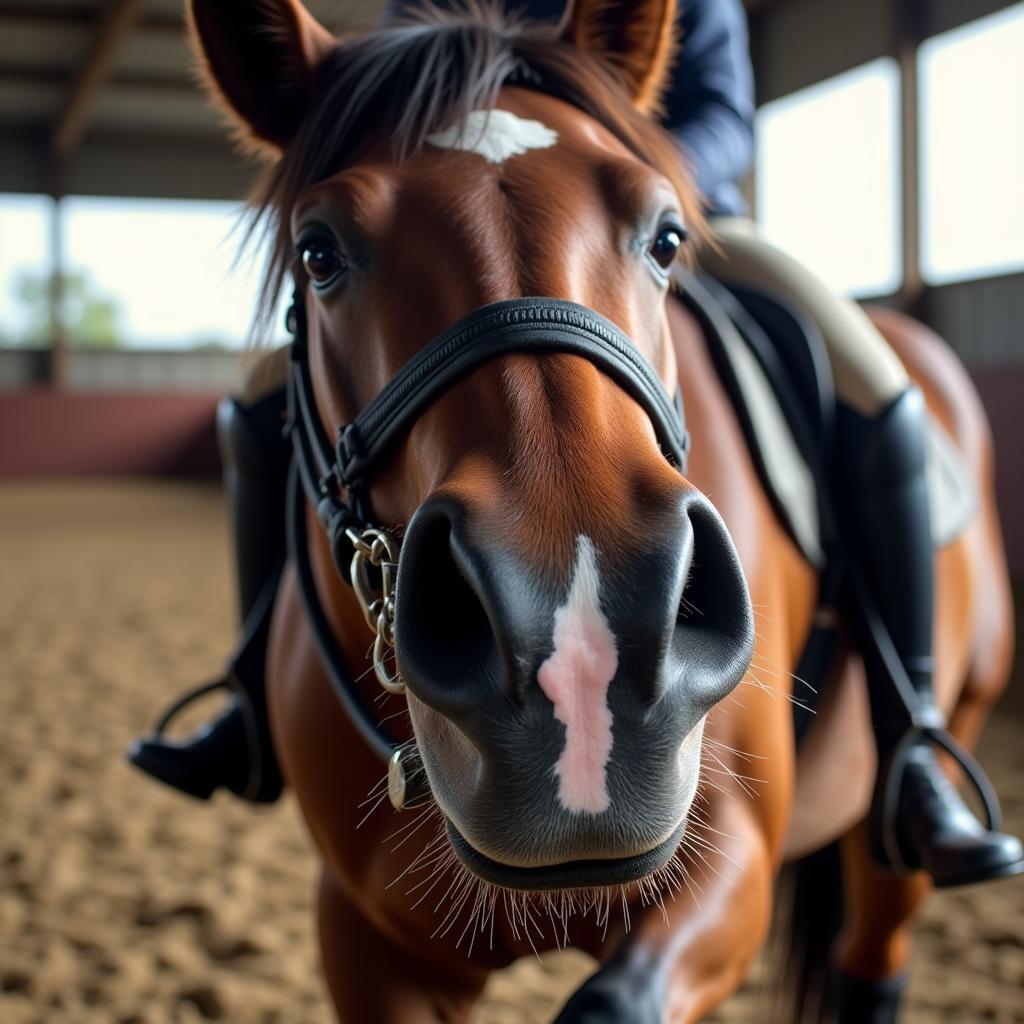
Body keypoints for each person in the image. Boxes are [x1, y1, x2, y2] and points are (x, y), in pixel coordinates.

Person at [128, 0, 1022, 888]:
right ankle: (252, 697)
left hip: (651, 229)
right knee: (256, 401)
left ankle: (913, 732)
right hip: (459, 233)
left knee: (880, 379)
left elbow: (723, 119)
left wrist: (621, 161)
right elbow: (379, 106)